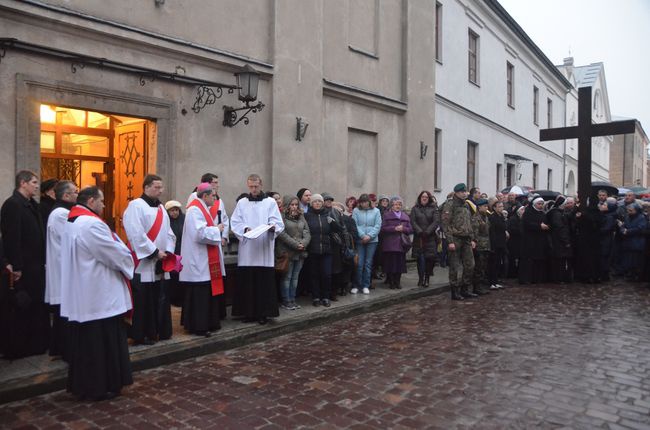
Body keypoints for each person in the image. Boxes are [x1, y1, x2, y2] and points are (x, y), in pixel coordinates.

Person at [60, 186, 134, 400]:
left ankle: (87, 384)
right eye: (102, 201)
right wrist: (128, 257)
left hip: (85, 292)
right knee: (102, 344)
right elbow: (114, 254)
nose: (104, 205)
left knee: (88, 344)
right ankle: (102, 385)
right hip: (99, 294)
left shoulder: (73, 221)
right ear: (91, 201)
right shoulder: (91, 224)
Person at [0, 170, 49, 359]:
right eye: (34, 182)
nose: (37, 186)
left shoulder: (31, 205)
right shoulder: (12, 205)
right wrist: (16, 266)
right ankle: (20, 346)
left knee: (36, 306)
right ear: (23, 183)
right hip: (24, 267)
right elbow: (12, 238)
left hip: (36, 265)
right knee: (23, 306)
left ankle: (37, 343)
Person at [123, 174, 176, 344]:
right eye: (157, 187)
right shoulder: (135, 206)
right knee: (144, 301)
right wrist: (154, 252)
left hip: (161, 260)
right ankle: (143, 333)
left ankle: (160, 331)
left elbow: (169, 233)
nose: (160, 191)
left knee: (159, 298)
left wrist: (167, 251)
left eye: (161, 187)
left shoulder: (161, 208)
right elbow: (135, 233)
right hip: (144, 263)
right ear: (146, 187)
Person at [231, 174, 284, 325]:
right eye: (251, 187)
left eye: (256, 186)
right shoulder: (242, 202)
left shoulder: (270, 202)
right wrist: (245, 228)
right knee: (247, 282)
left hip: (263, 248)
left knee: (263, 283)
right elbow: (235, 222)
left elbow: (277, 221)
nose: (253, 189)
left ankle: (263, 313)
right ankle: (248, 313)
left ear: (261, 184)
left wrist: (272, 228)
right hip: (247, 250)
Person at [180, 183, 226, 336]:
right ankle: (199, 326)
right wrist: (217, 229)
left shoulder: (201, 208)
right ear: (205, 196)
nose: (215, 198)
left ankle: (208, 323)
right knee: (199, 295)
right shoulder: (194, 210)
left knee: (206, 293)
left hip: (204, 258)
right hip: (198, 259)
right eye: (213, 195)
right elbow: (199, 234)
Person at [45, 180, 78, 359]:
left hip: (64, 266)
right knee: (64, 313)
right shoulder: (61, 214)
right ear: (65, 195)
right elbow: (73, 238)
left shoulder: (62, 211)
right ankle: (66, 350)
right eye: (75, 192)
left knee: (62, 313)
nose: (77, 195)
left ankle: (60, 347)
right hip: (63, 268)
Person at [441, 183, 476, 300]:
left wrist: (472, 238)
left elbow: (469, 222)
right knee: (454, 266)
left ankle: (465, 288)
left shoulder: (466, 205)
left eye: (465, 191)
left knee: (470, 265)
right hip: (455, 238)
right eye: (462, 192)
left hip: (466, 239)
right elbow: (446, 224)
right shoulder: (450, 204)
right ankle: (454, 291)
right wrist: (450, 241)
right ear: (456, 192)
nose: (464, 193)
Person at [276, 195, 310, 310]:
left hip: (300, 252)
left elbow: (307, 232)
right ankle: (286, 300)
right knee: (287, 277)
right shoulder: (282, 217)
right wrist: (296, 244)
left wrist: (303, 244)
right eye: (292, 204)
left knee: (295, 277)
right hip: (287, 252)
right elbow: (281, 234)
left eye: (296, 204)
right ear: (287, 205)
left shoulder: (301, 216)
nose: (294, 207)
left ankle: (293, 299)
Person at [304, 194, 339, 307]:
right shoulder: (307, 216)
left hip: (326, 250)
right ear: (312, 203)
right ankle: (316, 297)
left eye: (320, 201)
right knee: (314, 274)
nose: (318, 203)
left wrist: (332, 222)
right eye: (315, 201)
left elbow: (338, 229)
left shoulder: (327, 214)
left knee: (326, 274)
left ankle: (325, 297)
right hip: (313, 250)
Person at [380, 196, 413, 289]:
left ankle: (397, 282)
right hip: (390, 244)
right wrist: (394, 228)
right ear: (392, 205)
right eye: (396, 204)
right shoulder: (386, 215)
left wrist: (404, 228)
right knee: (390, 264)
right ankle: (391, 282)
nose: (398, 206)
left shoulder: (405, 216)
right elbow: (383, 228)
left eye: (399, 204)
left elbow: (410, 229)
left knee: (400, 265)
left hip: (401, 244)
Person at [351, 194, 382, 295]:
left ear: (369, 202)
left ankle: (365, 285)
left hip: (372, 241)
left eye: (365, 202)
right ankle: (356, 285)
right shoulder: (356, 211)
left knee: (368, 264)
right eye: (362, 202)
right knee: (359, 264)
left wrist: (369, 236)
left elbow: (378, 225)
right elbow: (354, 224)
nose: (364, 204)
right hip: (360, 240)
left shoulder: (376, 211)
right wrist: (362, 235)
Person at [410, 191, 439, 287]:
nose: (424, 198)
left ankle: (427, 278)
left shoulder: (434, 208)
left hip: (430, 237)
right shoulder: (415, 209)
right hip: (419, 238)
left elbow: (436, 221)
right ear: (420, 198)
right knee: (419, 259)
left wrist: (428, 231)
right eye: (423, 196)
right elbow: (413, 221)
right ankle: (420, 278)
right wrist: (419, 231)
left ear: (429, 198)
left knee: (429, 259)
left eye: (426, 197)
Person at [519, 197, 550, 284]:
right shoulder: (528, 213)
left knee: (538, 260)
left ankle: (537, 278)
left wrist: (546, 226)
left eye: (541, 204)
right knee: (528, 260)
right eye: (539, 204)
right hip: (529, 240)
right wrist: (539, 226)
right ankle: (526, 279)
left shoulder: (542, 213)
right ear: (534, 204)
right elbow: (527, 224)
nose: (540, 206)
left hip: (540, 240)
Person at [546, 196, 573, 283]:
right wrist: (566, 241)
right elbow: (560, 228)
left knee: (560, 261)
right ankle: (559, 278)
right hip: (559, 241)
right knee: (559, 261)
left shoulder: (559, 213)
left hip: (559, 240)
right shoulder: (557, 214)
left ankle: (560, 278)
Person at [618, 202, 647, 281]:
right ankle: (629, 273)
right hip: (628, 242)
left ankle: (636, 275)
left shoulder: (641, 218)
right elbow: (623, 226)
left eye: (631, 211)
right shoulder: (627, 217)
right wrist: (623, 230)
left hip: (637, 242)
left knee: (636, 261)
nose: (629, 212)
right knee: (628, 260)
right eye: (628, 210)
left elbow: (640, 228)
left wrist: (628, 231)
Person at [165, 200, 185, 307]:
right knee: (173, 277)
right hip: (171, 253)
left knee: (181, 276)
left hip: (182, 252)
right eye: (172, 210)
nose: (175, 213)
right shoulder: (166, 221)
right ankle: (173, 298)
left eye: (176, 210)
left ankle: (181, 298)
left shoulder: (184, 219)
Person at [471, 199, 491, 295]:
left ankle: (480, 286)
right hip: (479, 246)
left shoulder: (485, 217)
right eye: (485, 206)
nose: (486, 208)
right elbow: (475, 233)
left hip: (486, 245)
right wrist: (476, 243)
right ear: (479, 207)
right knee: (478, 268)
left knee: (483, 267)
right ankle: (476, 287)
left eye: (487, 206)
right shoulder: (476, 218)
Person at [487, 200, 508, 289]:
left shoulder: (501, 216)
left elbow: (504, 227)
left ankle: (496, 281)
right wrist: (493, 244)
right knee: (493, 263)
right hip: (495, 243)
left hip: (502, 242)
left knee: (499, 263)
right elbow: (492, 231)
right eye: (499, 206)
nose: (501, 208)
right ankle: (491, 282)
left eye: (502, 206)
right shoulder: (492, 217)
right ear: (494, 208)